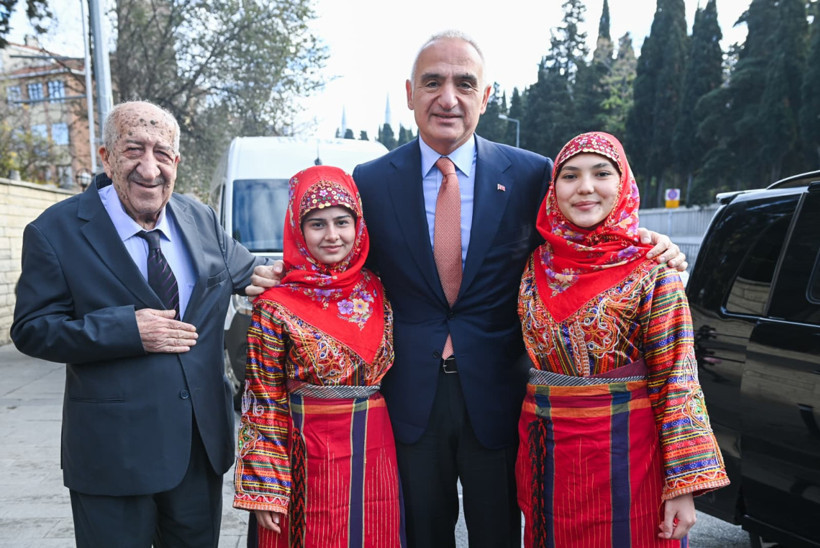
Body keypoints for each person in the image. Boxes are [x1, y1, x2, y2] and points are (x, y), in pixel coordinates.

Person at [250, 31, 687, 548]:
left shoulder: (531, 175)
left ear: (486, 96)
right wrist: (284, 272)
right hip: (407, 401)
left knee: (499, 534)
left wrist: (652, 242)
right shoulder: (370, 179)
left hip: (501, 396)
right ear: (410, 93)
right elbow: (336, 257)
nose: (448, 98)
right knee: (419, 534)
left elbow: (582, 235)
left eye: (464, 83)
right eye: (433, 82)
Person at [11, 100, 270, 547]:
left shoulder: (200, 218)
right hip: (114, 456)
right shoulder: (55, 230)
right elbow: (32, 328)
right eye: (134, 150)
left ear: (177, 162)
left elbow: (256, 275)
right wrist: (127, 330)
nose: (149, 169)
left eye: (162, 153)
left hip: (197, 450)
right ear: (106, 156)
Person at [515, 131, 730, 547]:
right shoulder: (532, 264)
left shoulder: (652, 268)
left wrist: (682, 486)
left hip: (630, 458)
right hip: (548, 457)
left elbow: (678, 378)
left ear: (623, 183)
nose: (585, 187)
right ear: (553, 188)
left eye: (601, 173)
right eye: (570, 176)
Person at [233, 166, 404, 547]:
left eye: (342, 222)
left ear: (358, 226)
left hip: (373, 450)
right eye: (317, 224)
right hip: (305, 454)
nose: (332, 236)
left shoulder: (377, 288)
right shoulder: (275, 306)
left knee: (372, 532)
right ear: (297, 229)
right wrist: (266, 485)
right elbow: (262, 399)